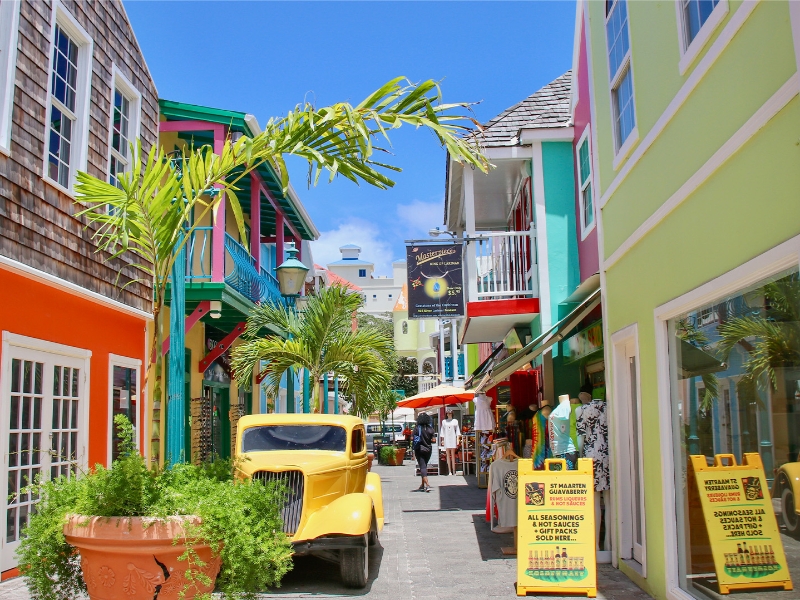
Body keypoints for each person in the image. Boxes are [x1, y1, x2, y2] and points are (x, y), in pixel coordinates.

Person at [413, 413, 435, 492]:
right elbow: (434, 440)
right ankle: (422, 485)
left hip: (419, 450)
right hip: (428, 450)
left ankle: (427, 484)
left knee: (422, 467)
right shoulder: (430, 429)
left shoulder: (417, 428)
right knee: (424, 466)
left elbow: (413, 438)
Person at [440, 409, 461, 476]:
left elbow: (457, 430)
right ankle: (449, 471)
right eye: (448, 413)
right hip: (446, 438)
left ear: (452, 414)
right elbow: (442, 431)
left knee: (453, 455)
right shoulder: (444, 421)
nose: (449, 415)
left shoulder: (455, 421)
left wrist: (457, 439)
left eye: (450, 413)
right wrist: (442, 440)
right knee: (448, 455)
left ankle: (454, 470)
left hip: (452, 438)